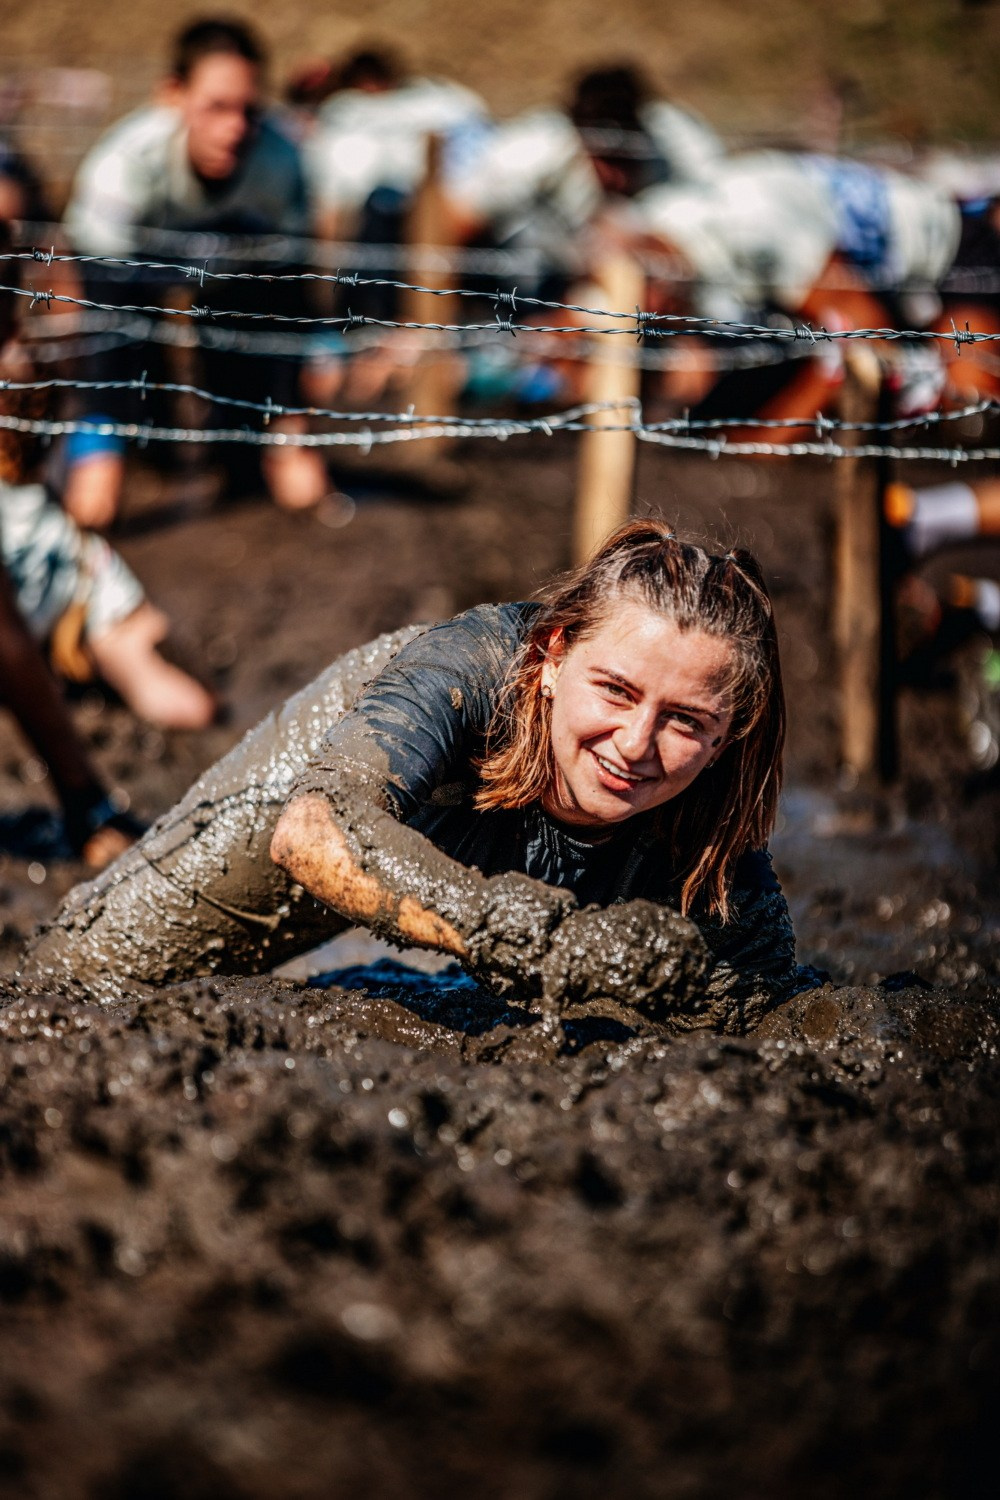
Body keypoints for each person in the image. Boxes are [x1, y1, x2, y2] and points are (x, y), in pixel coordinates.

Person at [22, 522, 818, 1033]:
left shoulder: (715, 792)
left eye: (685, 722)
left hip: (482, 880)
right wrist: (534, 939)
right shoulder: (467, 665)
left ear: (725, 738)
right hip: (340, 783)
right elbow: (313, 833)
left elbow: (767, 996)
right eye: (615, 691)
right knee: (76, 983)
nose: (637, 743)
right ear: (551, 658)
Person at [61, 16, 332, 527]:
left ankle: (252, 439)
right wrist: (99, 430)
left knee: (295, 487)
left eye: (249, 111)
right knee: (96, 499)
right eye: (217, 107)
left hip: (236, 277)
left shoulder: (281, 164)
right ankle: (117, 441)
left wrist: (293, 418)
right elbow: (101, 306)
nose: (234, 129)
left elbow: (289, 292)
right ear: (172, 95)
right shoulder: (122, 165)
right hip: (132, 273)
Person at [0, 229, 216, 731]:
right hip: (59, 573)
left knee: (181, 698)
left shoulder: (26, 372)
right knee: (174, 692)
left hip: (55, 569)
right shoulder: (27, 365)